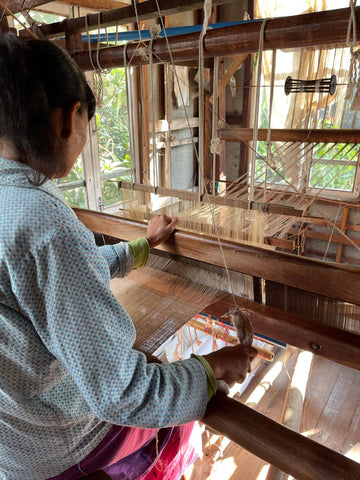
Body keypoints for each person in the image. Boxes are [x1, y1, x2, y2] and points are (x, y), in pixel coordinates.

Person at [0, 32, 257, 480]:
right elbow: (121, 393)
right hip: (52, 443)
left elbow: (48, 284)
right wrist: (211, 368)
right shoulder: (45, 224)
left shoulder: (17, 208)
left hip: (12, 440)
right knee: (176, 419)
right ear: (69, 118)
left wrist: (142, 247)